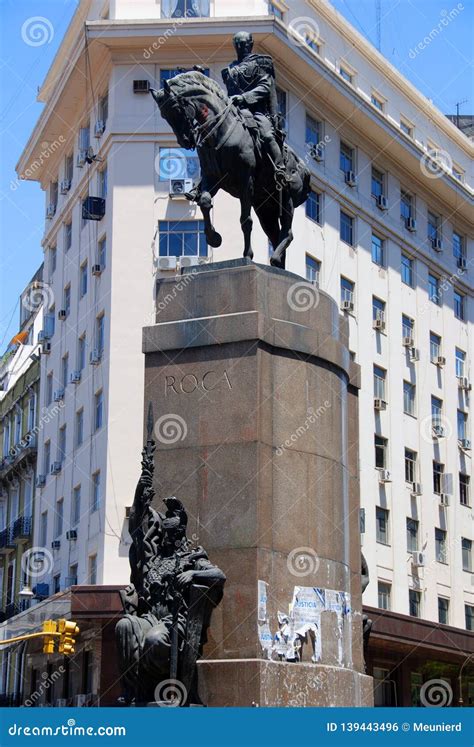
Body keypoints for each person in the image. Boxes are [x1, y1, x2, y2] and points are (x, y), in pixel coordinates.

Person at [222, 31, 287, 184]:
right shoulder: (230, 68)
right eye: (237, 44)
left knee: (266, 135)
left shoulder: (260, 63)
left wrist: (244, 97)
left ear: (250, 44)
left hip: (257, 110)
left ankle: (280, 168)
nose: (240, 47)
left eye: (243, 43)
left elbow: (265, 87)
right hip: (236, 110)